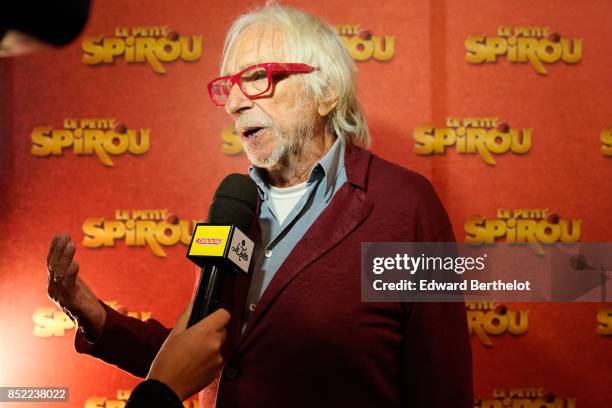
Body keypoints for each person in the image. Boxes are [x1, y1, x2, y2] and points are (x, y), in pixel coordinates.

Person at [47, 4, 472, 407]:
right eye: (229, 86)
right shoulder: (234, 204)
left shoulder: (408, 207)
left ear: (325, 93)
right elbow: (200, 355)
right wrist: (99, 319)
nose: (234, 103)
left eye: (257, 78)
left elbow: (442, 386)